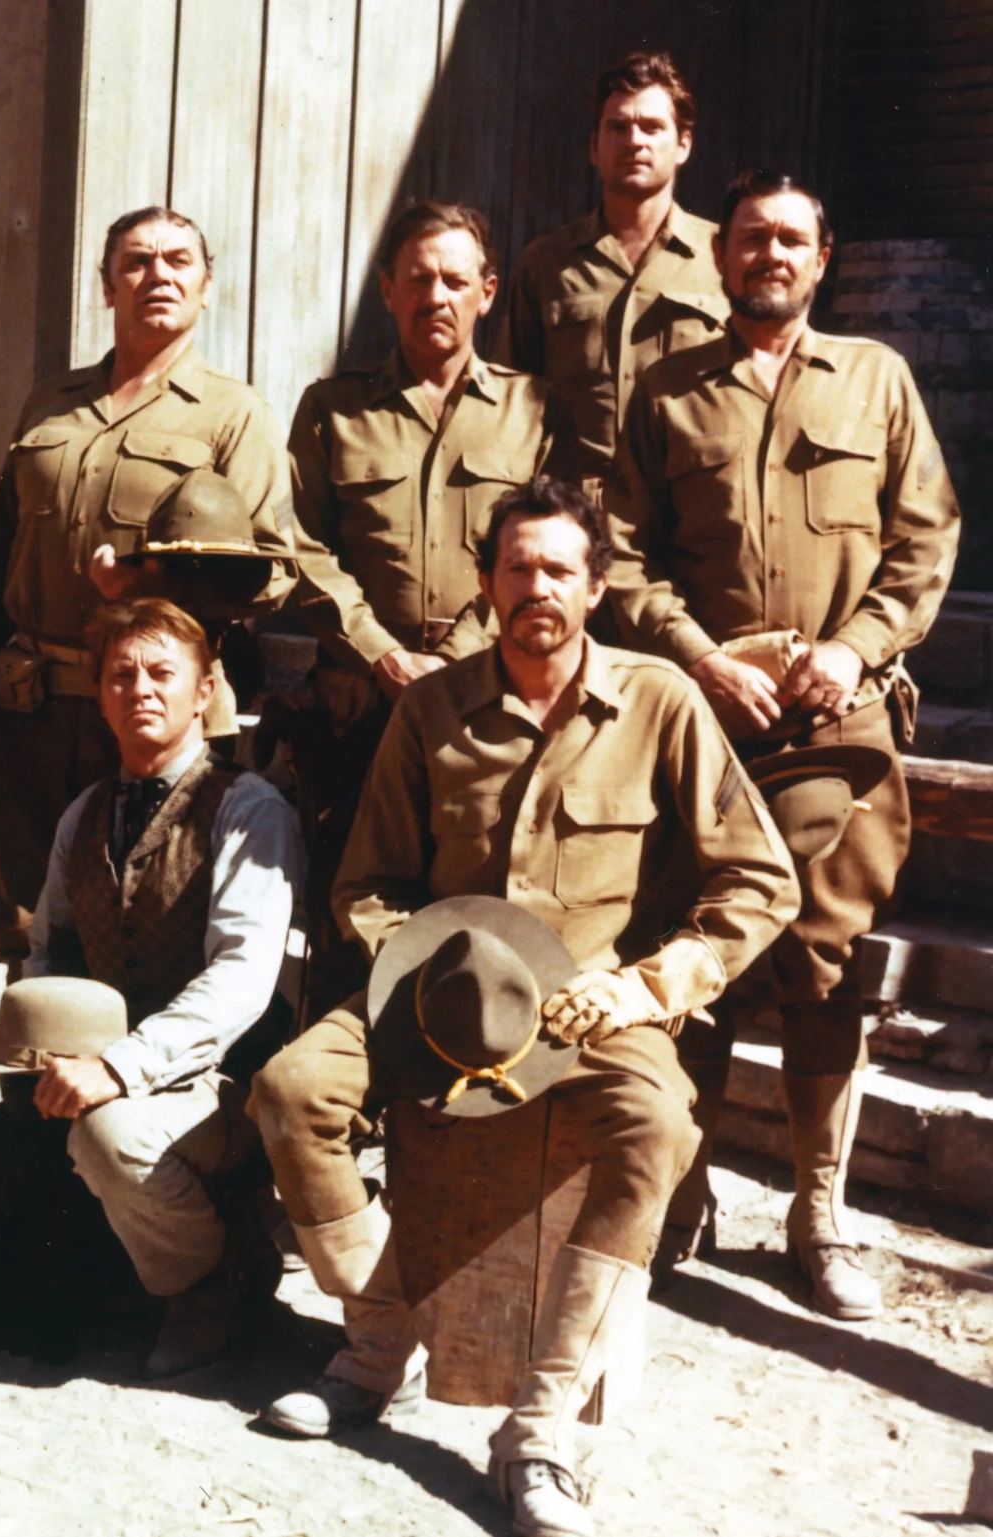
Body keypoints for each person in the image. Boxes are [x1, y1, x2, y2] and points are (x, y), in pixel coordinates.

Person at [247, 480, 797, 1537]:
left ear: (595, 587)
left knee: (657, 1128)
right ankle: (378, 1344)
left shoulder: (662, 702)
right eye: (516, 568)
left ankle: (543, 1425)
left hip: (595, 1010)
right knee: (292, 1089)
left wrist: (648, 983)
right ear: (488, 583)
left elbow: (759, 883)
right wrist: (429, 973)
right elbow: (365, 884)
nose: (536, 587)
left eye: (558, 569)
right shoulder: (431, 709)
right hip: (441, 998)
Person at [604, 169, 960, 1316]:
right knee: (691, 949)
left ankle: (819, 1210)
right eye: (750, 237)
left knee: (821, 964)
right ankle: (681, 1187)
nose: (768, 254)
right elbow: (622, 559)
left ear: (823, 259)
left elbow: (924, 539)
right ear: (721, 259)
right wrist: (698, 655)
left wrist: (857, 648)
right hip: (703, 727)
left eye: (790, 240)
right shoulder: (667, 394)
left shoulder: (877, 381)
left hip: (837, 728)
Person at [0, 207, 300, 971]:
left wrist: (155, 584)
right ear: (106, 286)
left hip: (158, 714)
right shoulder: (49, 403)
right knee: (31, 924)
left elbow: (274, 569)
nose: (159, 276)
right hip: (36, 714)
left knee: (153, 914)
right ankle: (34, 1080)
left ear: (206, 287)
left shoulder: (232, 414)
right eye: (138, 261)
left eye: (179, 261)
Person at [284, 200, 578, 1005]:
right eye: (418, 279)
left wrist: (451, 663)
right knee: (351, 910)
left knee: (475, 897)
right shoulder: (333, 410)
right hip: (361, 707)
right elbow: (300, 546)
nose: (435, 296)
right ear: (387, 289)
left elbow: (549, 549)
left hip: (489, 702)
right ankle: (344, 1094)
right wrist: (382, 651)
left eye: (455, 280)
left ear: (487, 291)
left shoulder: (537, 411)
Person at [23, 598, 304, 1378]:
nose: (139, 689)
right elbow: (48, 951)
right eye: (120, 674)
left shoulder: (249, 809)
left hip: (218, 1081)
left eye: (160, 673)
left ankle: (216, 1277)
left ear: (205, 690)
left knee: (109, 1137)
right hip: (105, 1070)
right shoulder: (82, 815)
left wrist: (119, 1068)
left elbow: (244, 977)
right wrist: (47, 1049)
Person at [500, 52, 728, 482]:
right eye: (618, 127)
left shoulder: (723, 258)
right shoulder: (547, 263)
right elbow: (511, 399)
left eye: (652, 127)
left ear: (684, 144)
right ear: (594, 146)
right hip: (577, 514)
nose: (634, 140)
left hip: (692, 512)